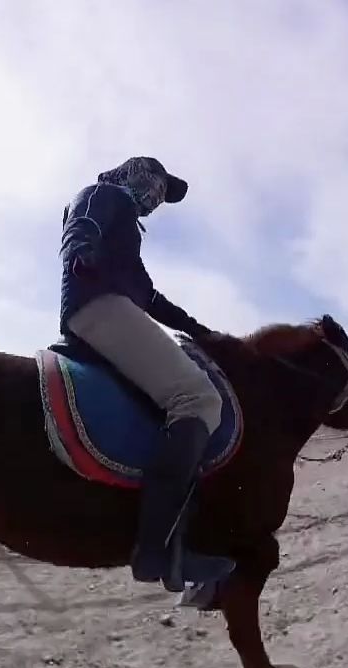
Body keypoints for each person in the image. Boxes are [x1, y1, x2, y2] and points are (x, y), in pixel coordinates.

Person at [59, 156, 235, 590]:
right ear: (132, 173)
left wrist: (200, 330)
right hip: (98, 306)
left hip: (111, 305)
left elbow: (150, 297)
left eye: (163, 194)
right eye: (156, 184)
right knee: (198, 397)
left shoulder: (127, 244)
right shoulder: (105, 194)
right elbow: (82, 221)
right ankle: (156, 549)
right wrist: (81, 247)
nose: (158, 197)